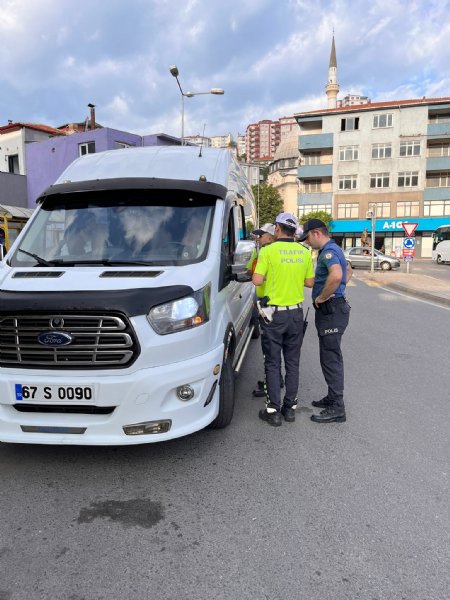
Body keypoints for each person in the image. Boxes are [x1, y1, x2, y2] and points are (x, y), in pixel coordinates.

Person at [252, 212, 315, 427]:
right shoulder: (304, 251)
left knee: (272, 362)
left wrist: (273, 275)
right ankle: (290, 409)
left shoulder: (268, 251)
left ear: (277, 229)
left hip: (274, 315)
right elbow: (309, 282)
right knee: (292, 362)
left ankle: (273, 411)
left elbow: (256, 279)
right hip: (296, 314)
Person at [299, 219, 352, 423]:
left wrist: (322, 297)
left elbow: (338, 275)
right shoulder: (335, 248)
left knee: (331, 358)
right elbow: (348, 270)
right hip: (336, 308)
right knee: (329, 355)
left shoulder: (328, 251)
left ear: (315, 233)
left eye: (308, 238)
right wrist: (339, 290)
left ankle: (338, 407)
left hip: (331, 310)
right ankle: (332, 397)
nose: (308, 243)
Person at [245, 223, 281, 398]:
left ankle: (271, 384)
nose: (258, 238)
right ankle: (275, 379)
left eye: (261, 235)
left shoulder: (270, 252)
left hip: (270, 304)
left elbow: (259, 278)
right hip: (266, 302)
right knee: (273, 348)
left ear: (270, 236)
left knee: (270, 348)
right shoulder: (261, 251)